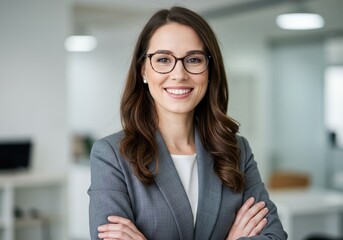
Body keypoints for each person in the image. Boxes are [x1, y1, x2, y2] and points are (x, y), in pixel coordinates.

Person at [88, 6, 287, 240]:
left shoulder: (236, 150)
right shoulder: (111, 155)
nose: (179, 74)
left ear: (209, 70)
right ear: (143, 70)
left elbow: (273, 236)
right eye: (163, 59)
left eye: (193, 59)